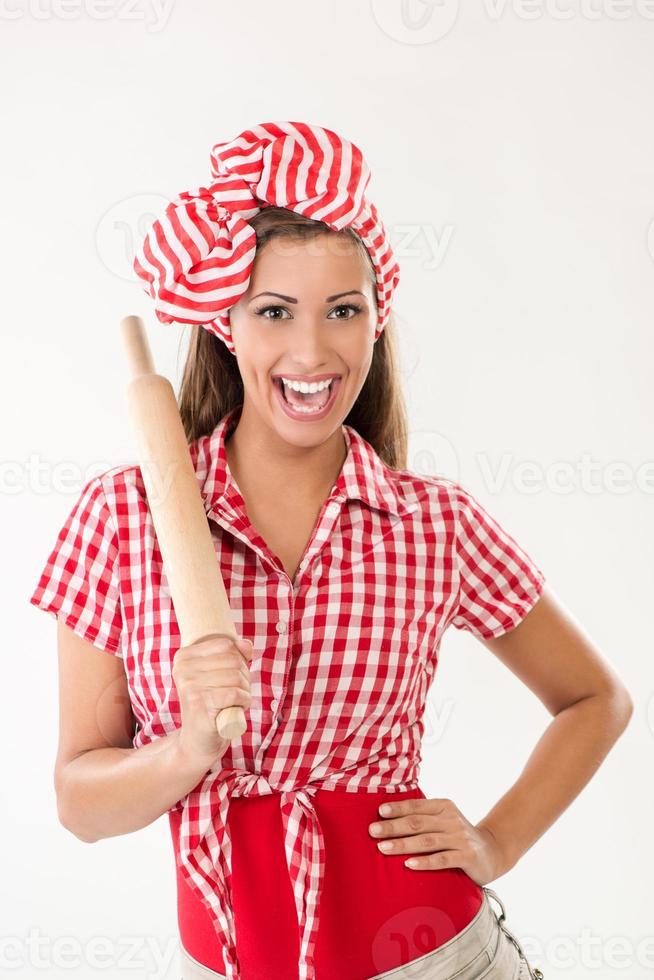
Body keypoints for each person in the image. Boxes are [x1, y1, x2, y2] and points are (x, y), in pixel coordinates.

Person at [29, 122, 632, 980]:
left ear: (375, 325)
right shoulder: (126, 517)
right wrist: (189, 748)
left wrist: (496, 841)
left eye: (343, 311)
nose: (312, 352)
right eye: (274, 311)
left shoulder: (434, 523)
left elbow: (594, 699)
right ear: (225, 326)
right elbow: (79, 807)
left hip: (441, 962)